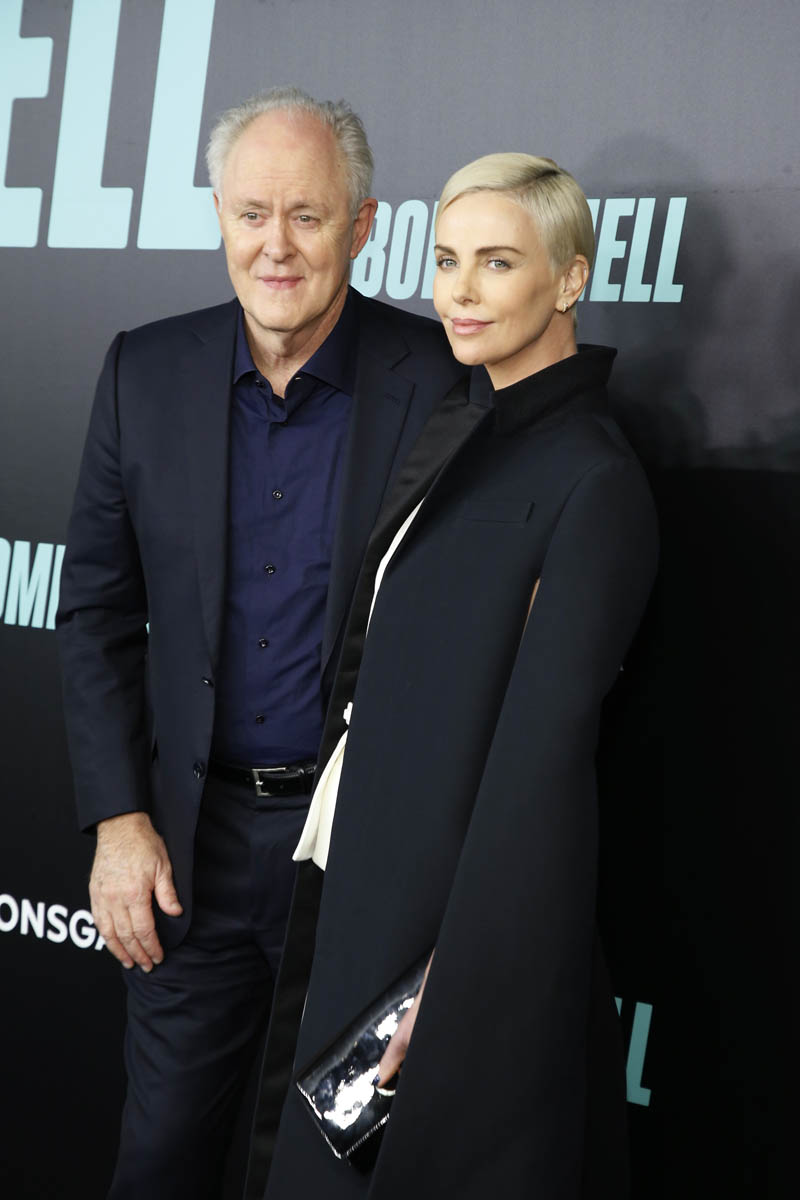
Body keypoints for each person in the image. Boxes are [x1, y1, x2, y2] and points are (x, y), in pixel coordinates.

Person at [55, 87, 463, 1200]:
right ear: (219, 218)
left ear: (363, 225)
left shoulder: (443, 385)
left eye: (306, 215)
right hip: (189, 857)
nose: (274, 246)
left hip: (362, 862)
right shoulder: (142, 373)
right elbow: (95, 612)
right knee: (160, 1164)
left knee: (335, 1179)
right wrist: (118, 819)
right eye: (250, 214)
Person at [261, 154, 659, 1198]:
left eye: (497, 262)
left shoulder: (593, 480)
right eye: (445, 261)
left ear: (569, 279)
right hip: (362, 886)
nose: (461, 292)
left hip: (450, 933)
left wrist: (456, 975)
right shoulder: (458, 430)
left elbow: (540, 769)